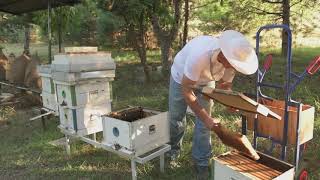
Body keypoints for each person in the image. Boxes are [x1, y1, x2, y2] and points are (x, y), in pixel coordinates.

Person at [168, 30, 258, 179]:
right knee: (176, 118)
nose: (235, 68)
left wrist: (229, 101)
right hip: (181, 79)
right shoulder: (200, 56)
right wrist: (205, 117)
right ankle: (173, 152)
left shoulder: (231, 63)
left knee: (205, 124)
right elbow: (187, 90)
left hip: (206, 79)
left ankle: (201, 163)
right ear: (224, 55)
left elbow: (225, 86)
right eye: (234, 64)